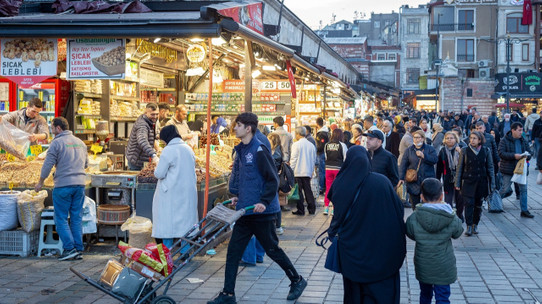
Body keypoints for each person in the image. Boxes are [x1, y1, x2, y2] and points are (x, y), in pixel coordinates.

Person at [208, 113, 306, 304]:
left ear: (248, 129)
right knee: (234, 252)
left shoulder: (259, 150)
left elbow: (272, 179)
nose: (234, 128)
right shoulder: (242, 149)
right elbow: (245, 177)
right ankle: (228, 294)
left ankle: (297, 280)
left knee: (272, 249)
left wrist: (264, 201)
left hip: (262, 211)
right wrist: (236, 195)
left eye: (239, 125)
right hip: (245, 211)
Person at [327, 146, 406, 304]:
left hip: (352, 251)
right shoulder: (381, 182)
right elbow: (398, 210)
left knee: (354, 292)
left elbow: (337, 216)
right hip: (381, 251)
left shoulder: (340, 183)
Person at [35, 117, 88, 261]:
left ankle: (69, 249)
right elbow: (86, 164)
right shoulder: (81, 143)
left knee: (61, 219)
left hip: (63, 186)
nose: (52, 132)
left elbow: (47, 165)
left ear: (58, 128)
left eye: (52, 129)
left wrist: (40, 182)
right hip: (80, 185)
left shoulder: (56, 143)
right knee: (76, 218)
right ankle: (78, 249)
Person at [406, 178, 463, 304]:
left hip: (423, 264)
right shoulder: (449, 216)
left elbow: (410, 233)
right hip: (444, 265)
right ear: (442, 196)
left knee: (425, 295)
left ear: (422, 197)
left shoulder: (415, 217)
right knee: (442, 298)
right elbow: (458, 232)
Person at [455, 131, 496, 236]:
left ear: (480, 140)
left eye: (474, 138)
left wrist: (492, 184)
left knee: (478, 205)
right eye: (471, 138)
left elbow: (490, 168)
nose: (472, 140)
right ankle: (468, 226)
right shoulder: (464, 151)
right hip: (468, 182)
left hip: (481, 182)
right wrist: (457, 183)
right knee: (469, 204)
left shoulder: (486, 150)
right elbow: (459, 168)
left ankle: (475, 224)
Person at [498, 122, 534, 218]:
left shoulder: (523, 140)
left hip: (521, 169)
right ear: (513, 130)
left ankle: (524, 210)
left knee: (524, 190)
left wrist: (527, 156)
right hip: (508, 169)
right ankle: (494, 202)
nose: (521, 132)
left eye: (522, 130)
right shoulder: (504, 140)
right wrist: (514, 156)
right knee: (505, 189)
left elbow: (530, 152)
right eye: (519, 130)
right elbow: (501, 153)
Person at [399, 130, 438, 208]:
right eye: (414, 137)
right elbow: (403, 164)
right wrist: (401, 178)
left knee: (427, 205)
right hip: (413, 181)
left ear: (423, 138)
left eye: (418, 137)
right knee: (415, 205)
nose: (416, 139)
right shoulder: (409, 150)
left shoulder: (430, 149)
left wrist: (424, 156)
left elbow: (435, 160)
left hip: (427, 180)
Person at [436, 131, 465, 221]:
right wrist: (437, 179)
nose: (449, 140)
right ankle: (450, 216)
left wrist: (460, 153)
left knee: (459, 198)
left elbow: (467, 163)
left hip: (460, 177)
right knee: (448, 199)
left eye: (451, 138)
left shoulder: (462, 148)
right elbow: (439, 166)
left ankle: (459, 214)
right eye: (447, 138)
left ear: (456, 139)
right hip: (447, 177)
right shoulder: (443, 150)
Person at [291, 127, 317, 215]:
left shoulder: (296, 144)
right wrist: (312, 170)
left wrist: (291, 169)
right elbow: (314, 159)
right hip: (307, 171)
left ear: (298, 134)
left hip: (298, 171)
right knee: (308, 190)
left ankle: (301, 209)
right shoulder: (311, 145)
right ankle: (312, 208)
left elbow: (294, 158)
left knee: (298, 191)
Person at [126, 103, 159, 170]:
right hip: (136, 161)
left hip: (141, 159)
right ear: (145, 112)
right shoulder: (142, 125)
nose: (155, 116)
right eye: (152, 114)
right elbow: (142, 140)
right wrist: (153, 155)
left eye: (157, 114)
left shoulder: (150, 122)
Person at [323, 129, 347, 216]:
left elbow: (325, 156)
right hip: (338, 168)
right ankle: (334, 208)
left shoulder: (327, 145)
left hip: (328, 168)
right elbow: (345, 158)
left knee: (328, 188)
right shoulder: (342, 145)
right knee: (337, 188)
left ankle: (326, 207)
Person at [268, 133, 284, 235]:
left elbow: (272, 165)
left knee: (275, 203)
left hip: (274, 180)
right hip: (274, 179)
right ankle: (276, 225)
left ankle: (278, 226)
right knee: (275, 202)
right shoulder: (276, 151)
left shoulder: (276, 153)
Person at [315, 117, 329, 193]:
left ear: (317, 124)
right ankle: (323, 186)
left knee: (321, 170)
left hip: (321, 153)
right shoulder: (325, 132)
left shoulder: (321, 134)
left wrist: (316, 149)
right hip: (324, 153)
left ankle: (321, 187)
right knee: (322, 170)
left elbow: (321, 145)